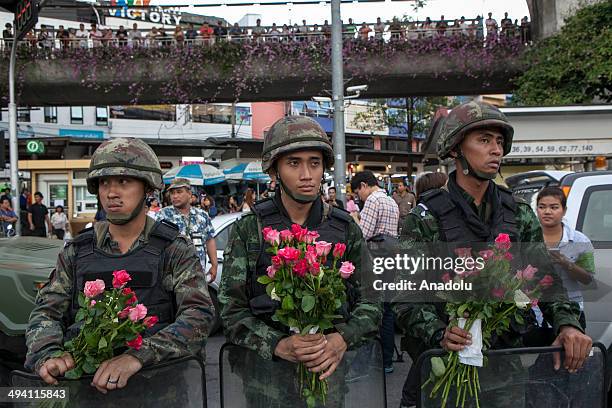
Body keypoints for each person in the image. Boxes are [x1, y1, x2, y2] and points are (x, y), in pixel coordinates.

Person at [393, 101, 592, 408]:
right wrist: (438, 333)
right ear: (457, 149)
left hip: (505, 370)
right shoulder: (425, 218)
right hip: (446, 368)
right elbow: (404, 294)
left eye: (499, 141)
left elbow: (545, 279)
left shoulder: (519, 213)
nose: (496, 150)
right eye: (484, 140)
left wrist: (568, 324)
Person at [25, 138, 214, 392]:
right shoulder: (76, 252)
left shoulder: (174, 250)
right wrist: (49, 355)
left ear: (148, 189)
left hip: (159, 390)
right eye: (104, 183)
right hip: (86, 390)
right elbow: (46, 312)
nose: (111, 193)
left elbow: (198, 317)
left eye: (123, 182)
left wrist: (137, 356)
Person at [219, 116, 381, 404]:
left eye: (314, 163)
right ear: (275, 170)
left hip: (327, 381)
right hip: (265, 382)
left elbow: (373, 301)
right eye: (294, 163)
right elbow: (230, 310)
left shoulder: (344, 228)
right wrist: (277, 343)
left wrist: (342, 338)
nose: (307, 174)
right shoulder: (251, 229)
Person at [350, 171, 399, 374]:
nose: (357, 197)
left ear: (363, 185)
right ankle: (386, 360)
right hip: (391, 259)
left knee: (370, 308)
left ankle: (365, 364)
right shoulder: (390, 201)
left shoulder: (372, 201)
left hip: (375, 260)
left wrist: (355, 219)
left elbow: (363, 234)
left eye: (356, 192)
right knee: (387, 310)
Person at [536, 187, 595, 329]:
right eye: (542, 207)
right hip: (534, 314)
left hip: (571, 313)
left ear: (564, 210)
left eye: (554, 207)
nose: (547, 211)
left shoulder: (580, 240)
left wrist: (566, 263)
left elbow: (588, 279)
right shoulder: (526, 238)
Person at [156, 178, 218, 284]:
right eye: (172, 193)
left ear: (189, 194)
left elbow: (209, 240)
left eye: (179, 192)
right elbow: (156, 244)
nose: (175, 196)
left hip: (198, 275)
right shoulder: (163, 215)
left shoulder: (202, 215)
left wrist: (214, 265)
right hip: (172, 277)